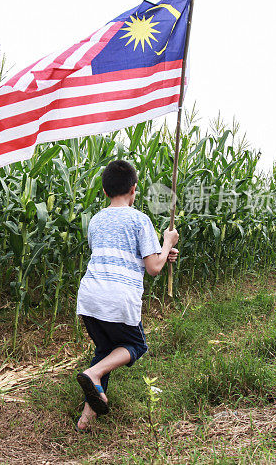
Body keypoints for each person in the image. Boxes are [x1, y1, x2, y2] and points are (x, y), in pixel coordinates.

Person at [74, 160, 179, 431]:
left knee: (106, 350)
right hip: (117, 298)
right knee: (137, 345)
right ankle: (92, 373)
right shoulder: (139, 219)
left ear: (105, 191)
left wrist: (162, 253)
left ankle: (86, 419)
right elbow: (153, 268)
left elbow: (120, 253)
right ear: (134, 189)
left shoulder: (96, 220)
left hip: (89, 297)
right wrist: (167, 242)